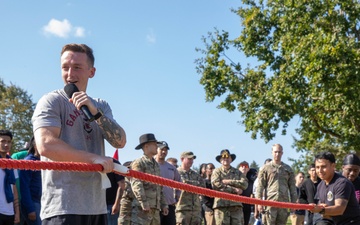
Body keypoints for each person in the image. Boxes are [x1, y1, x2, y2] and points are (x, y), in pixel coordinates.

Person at [31, 43, 126, 225]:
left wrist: (96, 113)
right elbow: (46, 145)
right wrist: (93, 159)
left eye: (77, 68)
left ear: (91, 72)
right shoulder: (52, 101)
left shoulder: (101, 105)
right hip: (62, 208)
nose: (70, 74)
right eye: (65, 67)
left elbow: (120, 142)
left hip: (97, 207)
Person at [309, 151, 360, 225]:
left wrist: (320, 209)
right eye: (317, 167)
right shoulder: (321, 185)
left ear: (333, 166)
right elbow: (325, 213)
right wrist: (319, 208)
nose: (320, 170)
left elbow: (339, 209)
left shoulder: (342, 183)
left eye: (323, 167)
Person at [130, 133, 168, 225]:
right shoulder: (138, 163)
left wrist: (164, 204)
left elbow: (160, 187)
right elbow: (136, 184)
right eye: (154, 144)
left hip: (155, 209)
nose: (157, 146)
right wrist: (144, 202)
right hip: (142, 209)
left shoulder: (156, 165)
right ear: (146, 146)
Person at [256, 144, 297, 225]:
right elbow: (260, 187)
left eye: (279, 152)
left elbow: (292, 188)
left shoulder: (288, 169)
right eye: (275, 152)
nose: (277, 154)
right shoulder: (265, 168)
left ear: (282, 153)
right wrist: (259, 203)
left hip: (283, 204)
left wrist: (293, 203)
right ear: (272, 153)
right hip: (270, 203)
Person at [211, 149, 248, 225]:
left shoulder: (237, 172)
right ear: (220, 160)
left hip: (236, 206)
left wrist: (229, 181)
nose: (226, 159)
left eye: (228, 157)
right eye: (223, 157)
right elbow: (216, 185)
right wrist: (234, 189)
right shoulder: (216, 171)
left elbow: (245, 184)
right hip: (221, 206)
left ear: (231, 159)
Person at [154, 141, 181, 225]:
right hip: (155, 205)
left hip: (169, 204)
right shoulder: (150, 165)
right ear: (156, 149)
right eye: (161, 149)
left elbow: (179, 182)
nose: (164, 152)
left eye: (166, 150)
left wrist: (177, 197)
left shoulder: (171, 168)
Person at [176, 151, 205, 225]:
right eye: (189, 159)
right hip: (182, 209)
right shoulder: (176, 172)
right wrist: (194, 184)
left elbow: (203, 188)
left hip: (195, 210)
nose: (191, 161)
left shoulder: (196, 174)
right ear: (182, 159)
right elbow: (181, 185)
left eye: (192, 159)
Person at [19, 136, 41, 225]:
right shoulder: (28, 162)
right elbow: (24, 187)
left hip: (42, 201)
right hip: (33, 203)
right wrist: (30, 209)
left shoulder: (44, 161)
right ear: (36, 145)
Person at [0, 129, 20, 225]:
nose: (6, 144)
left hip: (9, 211)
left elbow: (14, 188)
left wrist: (17, 212)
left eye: (8, 142)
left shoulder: (12, 163)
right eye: (3, 141)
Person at [238, 161, 256, 225]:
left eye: (246, 166)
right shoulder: (235, 179)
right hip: (237, 206)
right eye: (242, 166)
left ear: (248, 169)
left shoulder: (251, 181)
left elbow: (253, 194)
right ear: (239, 168)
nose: (244, 167)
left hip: (247, 207)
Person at [118, 161, 134, 225]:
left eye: (131, 168)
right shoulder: (123, 181)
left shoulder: (137, 180)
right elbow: (120, 190)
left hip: (136, 207)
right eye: (127, 168)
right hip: (125, 206)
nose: (129, 170)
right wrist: (116, 204)